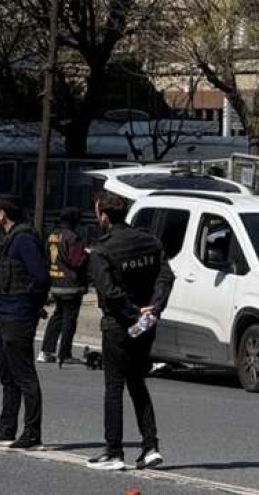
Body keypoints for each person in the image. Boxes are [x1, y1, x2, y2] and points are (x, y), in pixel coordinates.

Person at [85, 191, 175, 472]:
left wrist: (134, 312)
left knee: (114, 387)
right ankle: (151, 447)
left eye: (97, 213)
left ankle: (114, 452)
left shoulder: (102, 250)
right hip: (146, 324)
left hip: (119, 323)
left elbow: (109, 292)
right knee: (137, 383)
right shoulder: (150, 241)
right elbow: (166, 276)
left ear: (103, 216)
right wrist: (154, 308)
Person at [0, 194, 48, 450]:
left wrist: (30, 303)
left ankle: (32, 434)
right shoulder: (8, 239)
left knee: (24, 376)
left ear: (2, 214)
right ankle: (6, 428)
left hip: (17, 317)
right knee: (7, 376)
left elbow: (41, 277)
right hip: (1, 318)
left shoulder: (24, 239)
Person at [38, 207, 88, 366]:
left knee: (57, 316)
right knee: (69, 320)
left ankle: (46, 351)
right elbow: (76, 261)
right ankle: (65, 353)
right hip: (71, 285)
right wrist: (87, 255)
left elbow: (46, 257)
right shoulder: (73, 238)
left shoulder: (53, 235)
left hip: (55, 282)